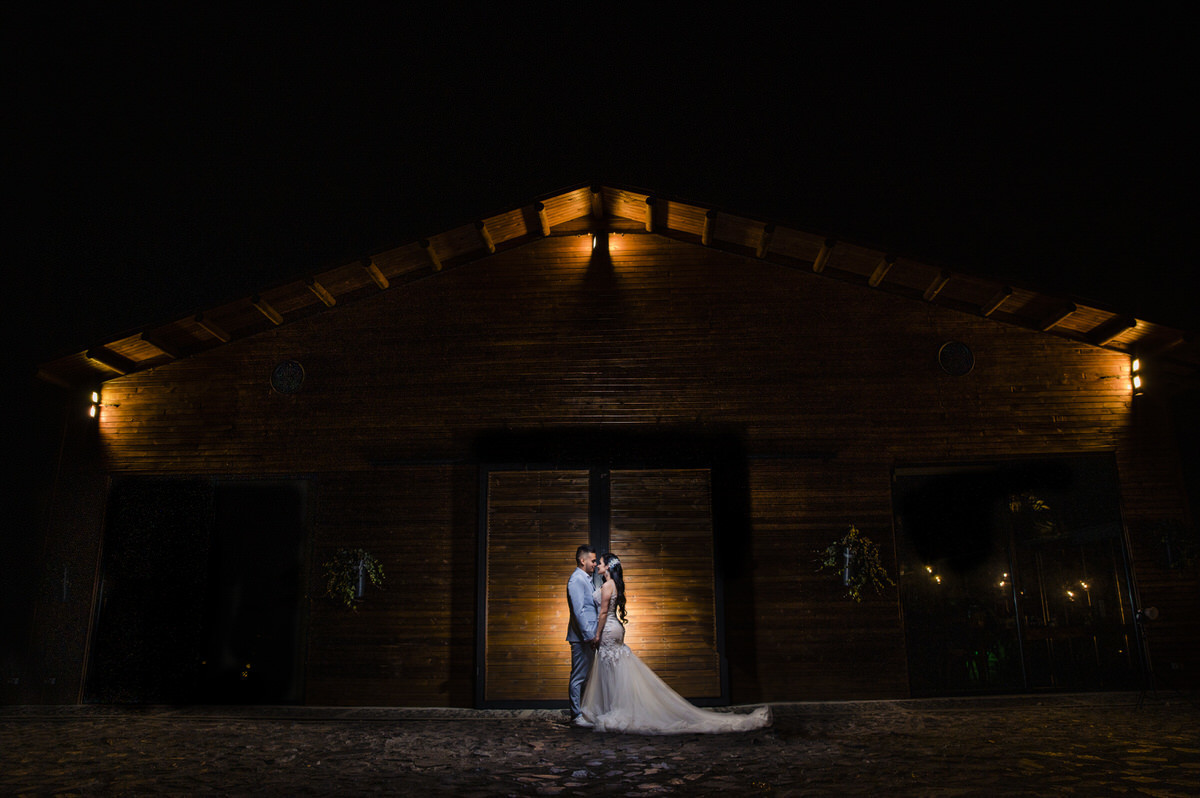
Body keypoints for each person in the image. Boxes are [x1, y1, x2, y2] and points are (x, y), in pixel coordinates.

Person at [577, 552, 772, 734]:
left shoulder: (606, 586)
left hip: (608, 629)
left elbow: (603, 612)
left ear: (607, 567)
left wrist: (596, 634)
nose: (598, 565)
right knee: (615, 668)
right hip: (616, 628)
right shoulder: (615, 585)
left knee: (609, 667)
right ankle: (617, 705)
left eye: (600, 563)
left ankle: (615, 708)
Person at [565, 544, 598, 721]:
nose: (595, 564)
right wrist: (589, 636)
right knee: (578, 676)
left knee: (585, 677)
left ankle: (583, 711)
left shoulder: (585, 578)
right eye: (592, 561)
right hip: (582, 637)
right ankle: (576, 714)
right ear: (582, 560)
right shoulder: (576, 579)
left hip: (588, 636)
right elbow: (579, 611)